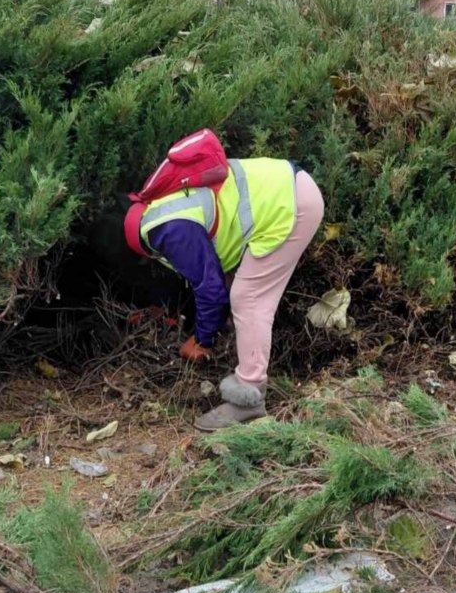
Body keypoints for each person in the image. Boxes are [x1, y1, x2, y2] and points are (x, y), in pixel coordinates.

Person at [124, 157, 324, 430]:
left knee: (249, 298)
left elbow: (210, 288)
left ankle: (248, 399)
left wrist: (202, 340)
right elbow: (219, 266)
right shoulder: (164, 205)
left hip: (289, 204)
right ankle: (247, 359)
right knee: (241, 290)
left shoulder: (165, 231)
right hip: (288, 188)